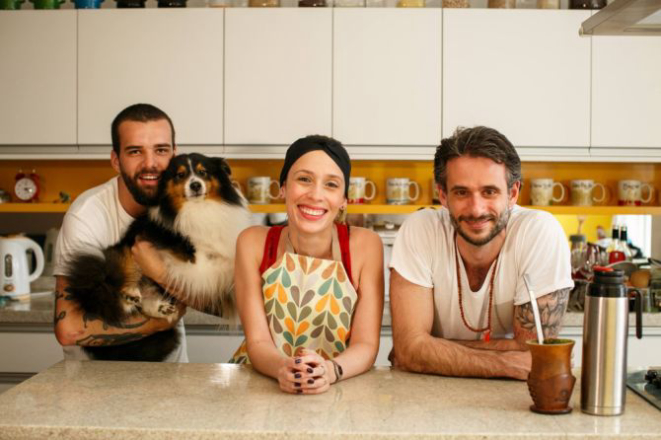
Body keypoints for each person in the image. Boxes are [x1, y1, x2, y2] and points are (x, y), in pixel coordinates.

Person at [389, 126, 573, 380]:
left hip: (509, 401)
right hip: (428, 394)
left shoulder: (539, 232)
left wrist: (428, 348)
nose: (476, 209)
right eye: (462, 192)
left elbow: (534, 354)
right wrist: (508, 363)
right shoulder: (420, 229)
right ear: (443, 194)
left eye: (489, 191)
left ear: (513, 193)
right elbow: (409, 350)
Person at [230, 135, 384, 394]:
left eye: (331, 184)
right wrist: (283, 368)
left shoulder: (366, 246)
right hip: (261, 384)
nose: (315, 195)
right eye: (304, 179)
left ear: (344, 199)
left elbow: (366, 345)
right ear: (283, 188)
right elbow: (257, 342)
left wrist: (330, 371)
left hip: (337, 383)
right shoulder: (252, 243)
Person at [53, 103, 188, 362]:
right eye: (135, 151)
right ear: (116, 160)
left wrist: (160, 274)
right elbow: (68, 329)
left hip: (168, 377)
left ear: (175, 155)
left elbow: (217, 299)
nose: (151, 164)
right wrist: (156, 324)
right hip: (94, 381)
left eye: (161, 150)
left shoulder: (185, 210)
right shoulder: (86, 215)